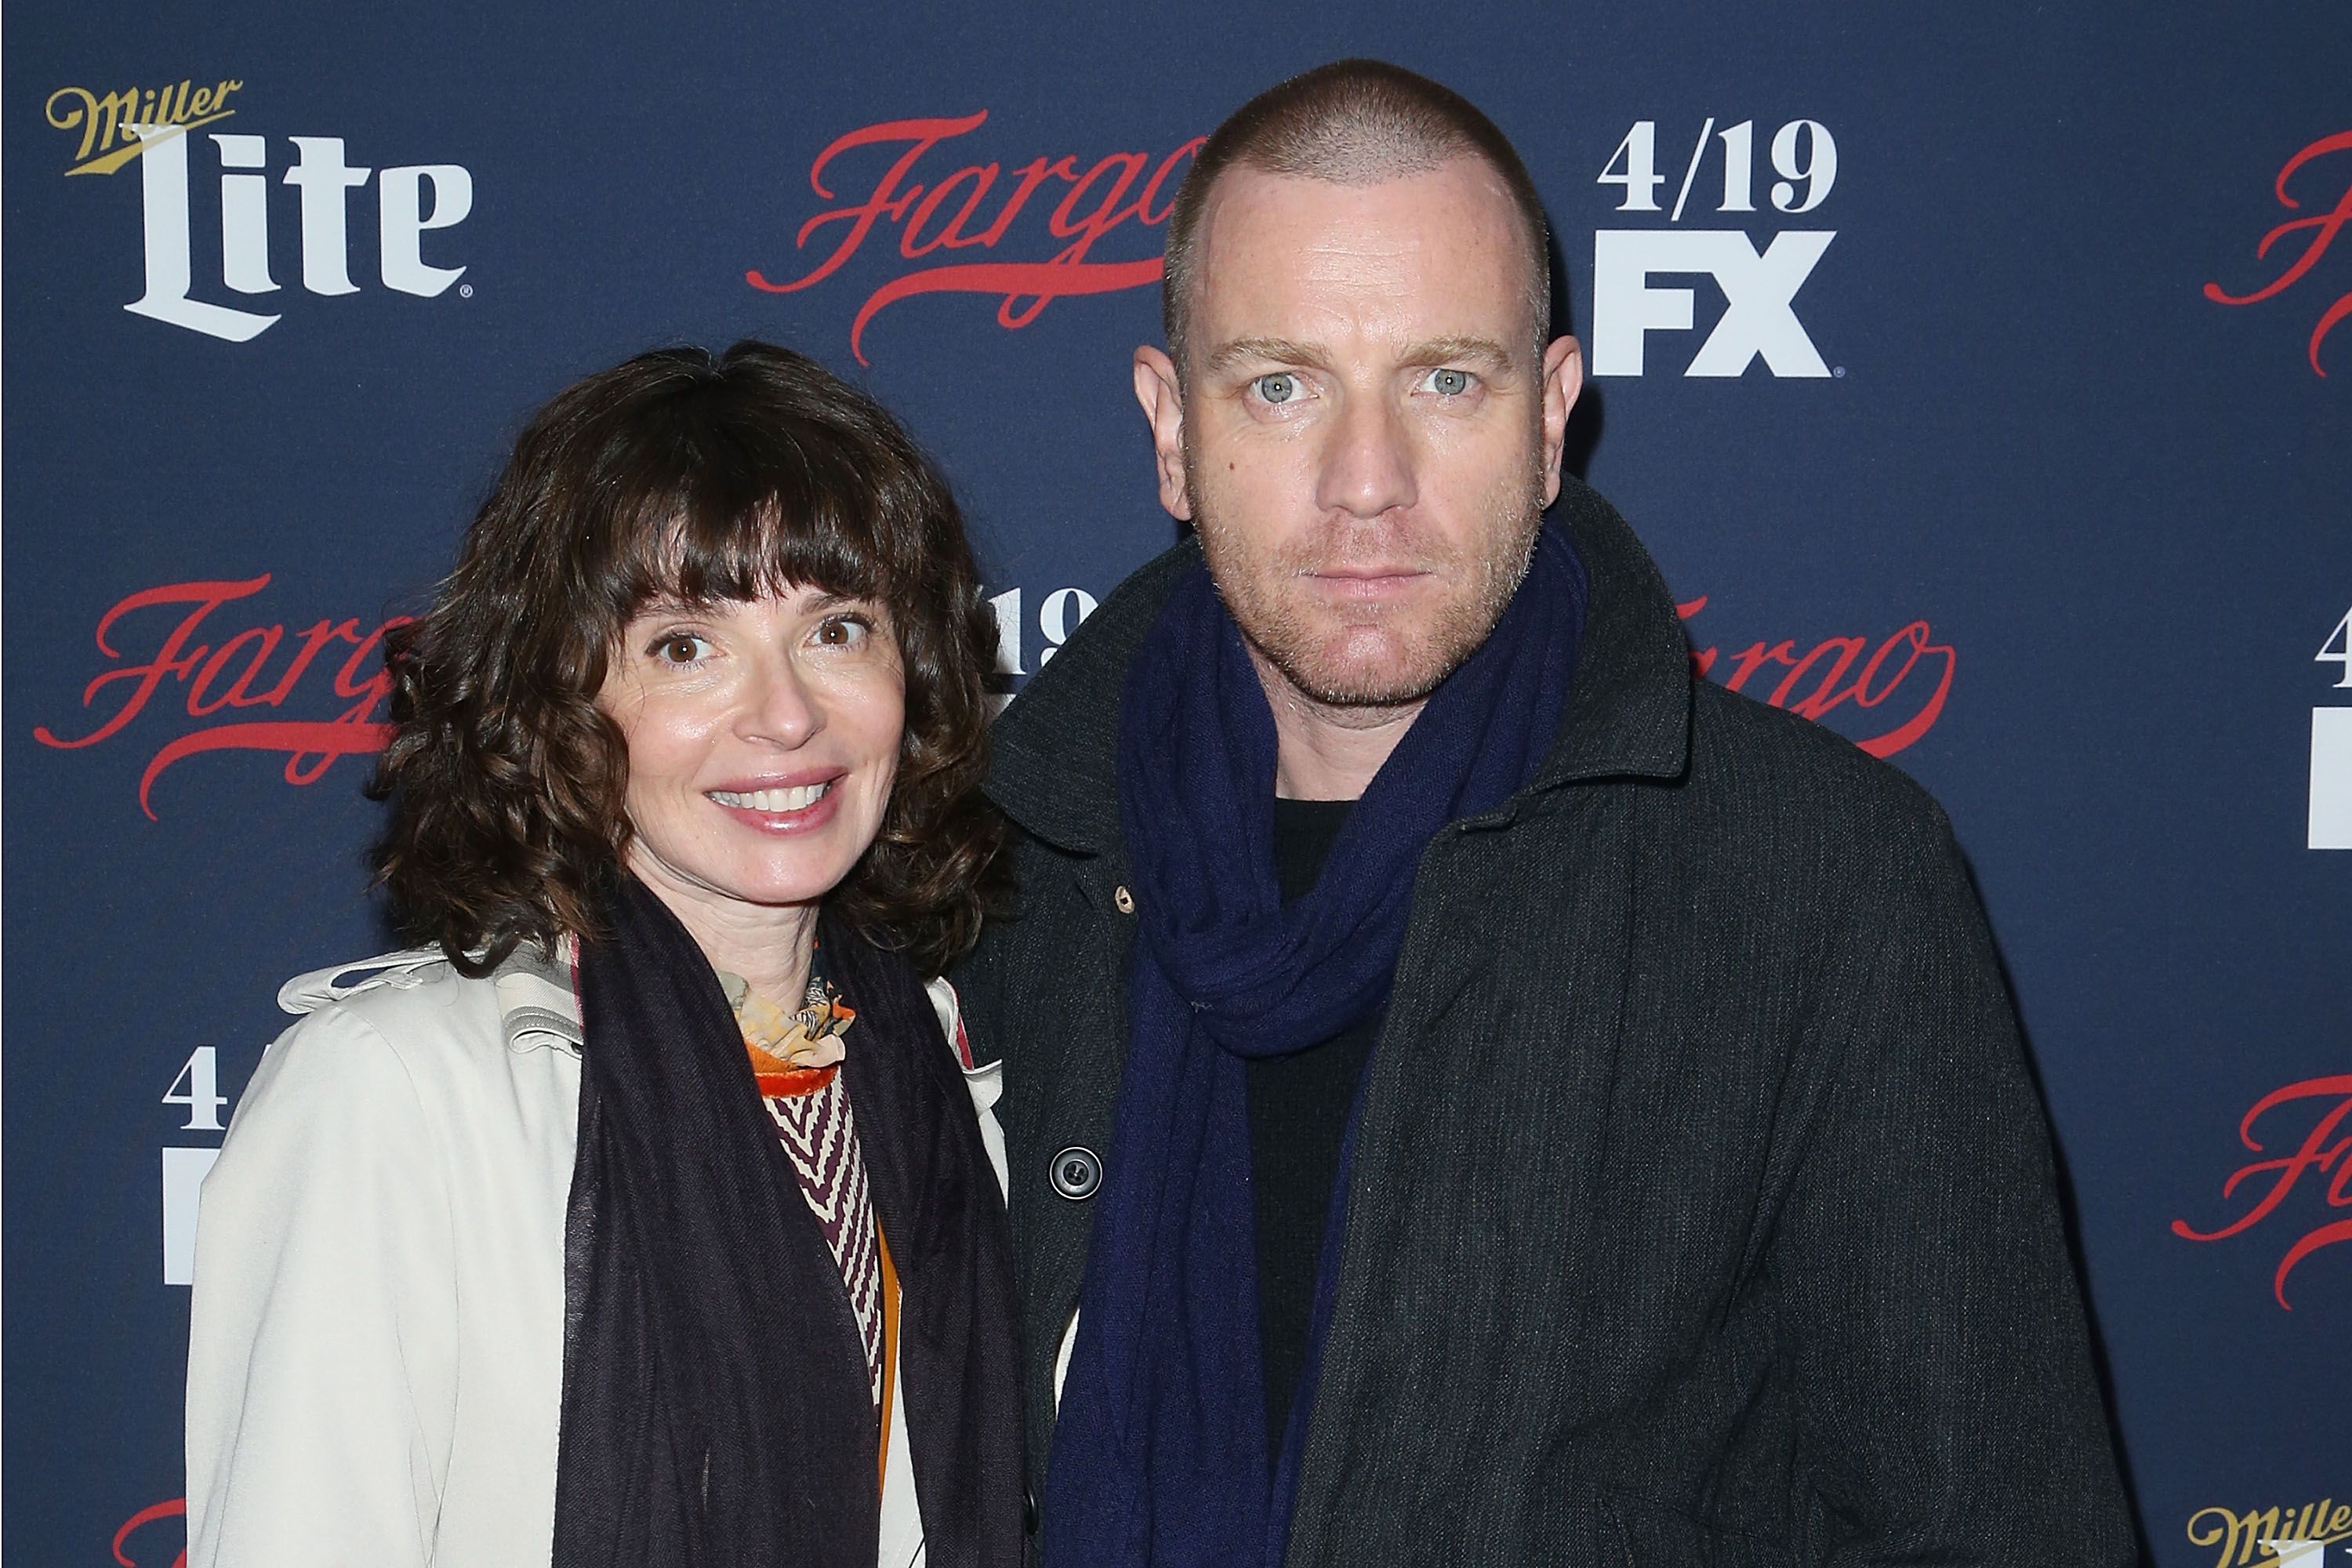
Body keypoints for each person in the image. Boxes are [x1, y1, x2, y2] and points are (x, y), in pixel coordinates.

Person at [952, 60, 2138, 1566]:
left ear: (1552, 416)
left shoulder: (1824, 888)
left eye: (1446, 380)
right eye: (1281, 384)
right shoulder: (984, 872)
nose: (1365, 484)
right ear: (1170, 429)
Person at [184, 342, 1025, 1568]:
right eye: (687, 645)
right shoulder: (394, 1093)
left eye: (837, 628)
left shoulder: (937, 1070)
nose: (786, 715)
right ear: (559, 696)